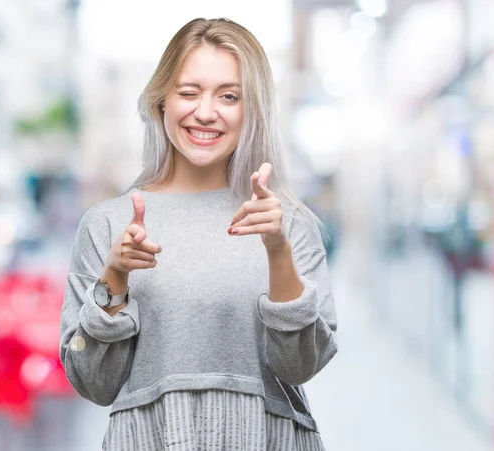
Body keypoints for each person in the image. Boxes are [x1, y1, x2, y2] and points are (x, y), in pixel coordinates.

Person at [59, 17, 338, 451]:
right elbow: (92, 383)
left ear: (253, 109)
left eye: (229, 96)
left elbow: (301, 367)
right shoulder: (107, 224)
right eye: (188, 92)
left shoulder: (288, 225)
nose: (205, 112)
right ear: (161, 102)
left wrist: (278, 252)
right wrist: (113, 278)